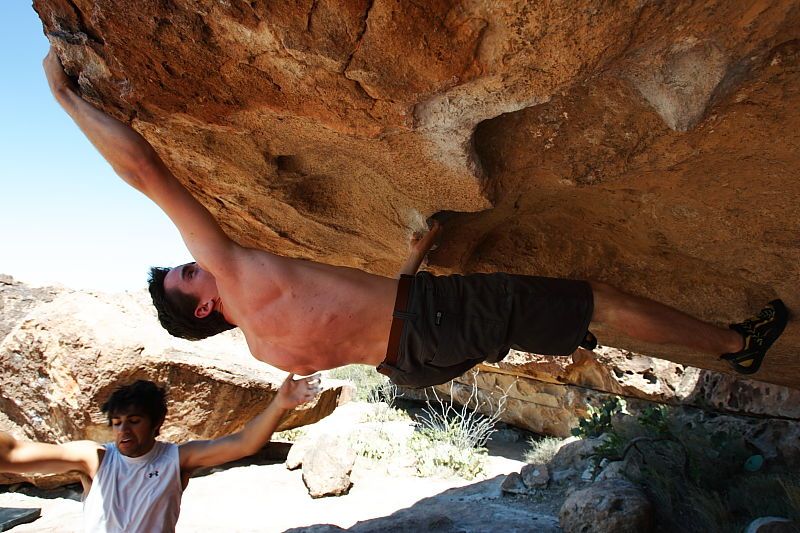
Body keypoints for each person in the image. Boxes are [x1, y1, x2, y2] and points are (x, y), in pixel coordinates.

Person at [42, 47, 788, 388]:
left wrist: (407, 266)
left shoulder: (270, 353)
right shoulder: (237, 273)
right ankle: (733, 343)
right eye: (187, 271)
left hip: (414, 362)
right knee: (594, 297)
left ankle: (561, 327)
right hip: (434, 325)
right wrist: (68, 100)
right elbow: (146, 171)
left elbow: (360, 326)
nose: (196, 259)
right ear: (204, 303)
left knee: (544, 315)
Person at [0, 374, 320, 532]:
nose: (123, 430)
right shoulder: (93, 459)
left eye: (134, 421)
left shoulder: (176, 459)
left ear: (157, 423)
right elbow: (12, 454)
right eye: (117, 422)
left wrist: (280, 403)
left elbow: (244, 443)